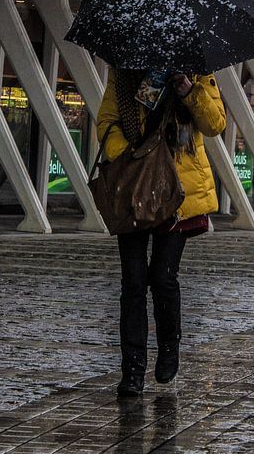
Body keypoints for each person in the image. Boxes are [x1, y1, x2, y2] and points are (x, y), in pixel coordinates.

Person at [97, 69, 226, 397]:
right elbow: (106, 121)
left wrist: (188, 91)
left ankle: (169, 348)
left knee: (163, 277)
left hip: (176, 188)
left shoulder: (196, 73)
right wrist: (130, 151)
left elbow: (214, 124)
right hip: (135, 186)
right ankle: (132, 369)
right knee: (133, 282)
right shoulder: (123, 70)